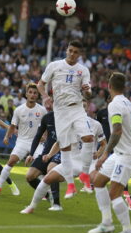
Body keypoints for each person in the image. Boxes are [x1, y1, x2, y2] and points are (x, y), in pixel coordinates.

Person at [37, 40, 94, 198]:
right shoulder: (54, 65)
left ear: (80, 54)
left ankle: (84, 174)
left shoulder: (83, 70)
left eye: (76, 52)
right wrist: (45, 97)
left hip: (76, 107)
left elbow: (89, 94)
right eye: (70, 50)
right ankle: (70, 185)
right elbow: (40, 84)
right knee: (65, 148)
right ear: (66, 50)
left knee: (88, 137)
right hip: (60, 111)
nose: (72, 54)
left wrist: (87, 91)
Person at [87, 72, 131, 233]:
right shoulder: (129, 104)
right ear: (124, 87)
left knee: (114, 194)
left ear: (109, 86)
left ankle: (128, 231)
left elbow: (117, 130)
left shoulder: (114, 105)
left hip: (127, 154)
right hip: (120, 152)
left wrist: (104, 154)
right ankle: (106, 223)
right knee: (98, 180)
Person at [0, 83, 47, 196]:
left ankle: (45, 193)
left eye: (35, 93)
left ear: (37, 95)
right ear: (26, 94)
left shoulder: (42, 110)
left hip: (37, 143)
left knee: (41, 166)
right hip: (22, 141)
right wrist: (7, 136)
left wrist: (45, 136)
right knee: (11, 161)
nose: (32, 95)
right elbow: (13, 126)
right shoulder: (19, 110)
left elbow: (47, 126)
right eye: (30, 92)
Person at [24, 97, 62, 211]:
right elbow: (38, 135)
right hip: (46, 153)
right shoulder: (47, 117)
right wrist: (31, 153)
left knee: (52, 170)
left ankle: (56, 204)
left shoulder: (67, 118)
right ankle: (47, 195)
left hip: (60, 153)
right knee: (29, 177)